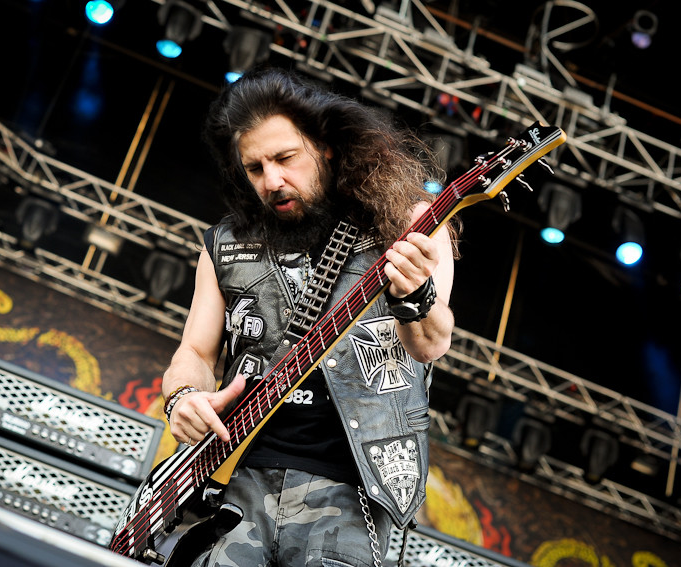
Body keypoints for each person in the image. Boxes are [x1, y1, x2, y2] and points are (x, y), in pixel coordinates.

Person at [159, 66, 460, 567]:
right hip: (236, 480)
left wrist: (415, 295)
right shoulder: (226, 244)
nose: (271, 180)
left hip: (353, 490)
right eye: (254, 168)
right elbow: (193, 352)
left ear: (325, 146)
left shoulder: (409, 224)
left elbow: (430, 344)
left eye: (284, 158)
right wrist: (184, 396)